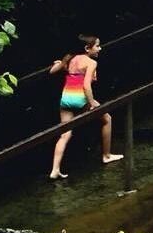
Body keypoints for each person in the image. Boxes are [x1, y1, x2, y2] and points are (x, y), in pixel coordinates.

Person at [48, 34, 120, 179]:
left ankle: (55, 170)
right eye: (97, 46)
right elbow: (86, 85)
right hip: (80, 98)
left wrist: (61, 64)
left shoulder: (70, 58)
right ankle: (106, 155)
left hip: (66, 98)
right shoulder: (91, 63)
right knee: (107, 118)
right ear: (87, 48)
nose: (100, 48)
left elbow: (52, 71)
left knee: (65, 133)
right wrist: (92, 103)